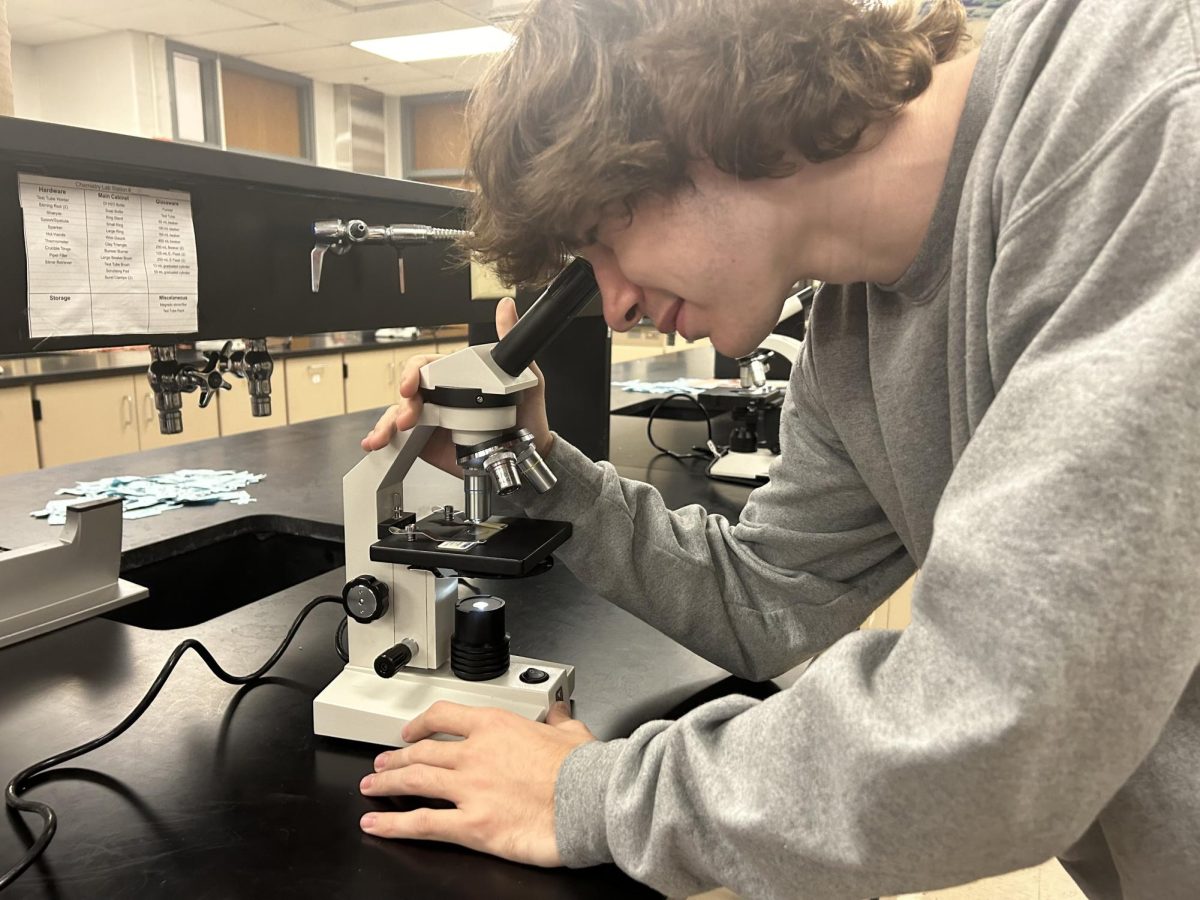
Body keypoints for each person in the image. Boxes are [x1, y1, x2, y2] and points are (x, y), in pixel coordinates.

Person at [356, 0, 1200, 896]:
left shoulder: (1138, 112)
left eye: (605, 240)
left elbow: (1004, 724)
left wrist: (597, 795)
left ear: (702, 110)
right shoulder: (852, 333)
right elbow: (767, 601)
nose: (613, 308)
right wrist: (546, 479)